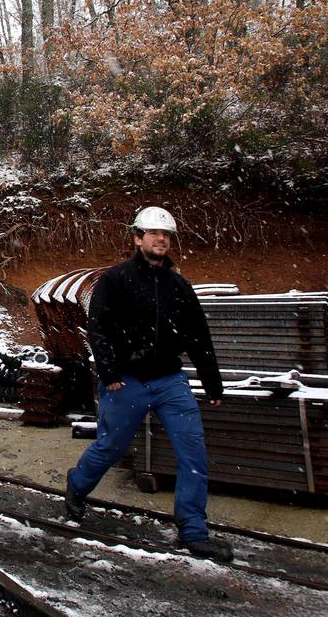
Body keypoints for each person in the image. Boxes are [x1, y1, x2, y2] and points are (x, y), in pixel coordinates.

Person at [64, 206, 233, 562]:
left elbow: (198, 335)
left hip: (171, 381)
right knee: (111, 447)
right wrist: (109, 373)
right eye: (154, 233)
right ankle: (76, 485)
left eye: (166, 235)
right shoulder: (115, 280)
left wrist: (212, 383)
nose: (161, 239)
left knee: (193, 453)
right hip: (127, 383)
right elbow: (98, 328)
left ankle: (193, 530)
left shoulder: (178, 286)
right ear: (137, 238)